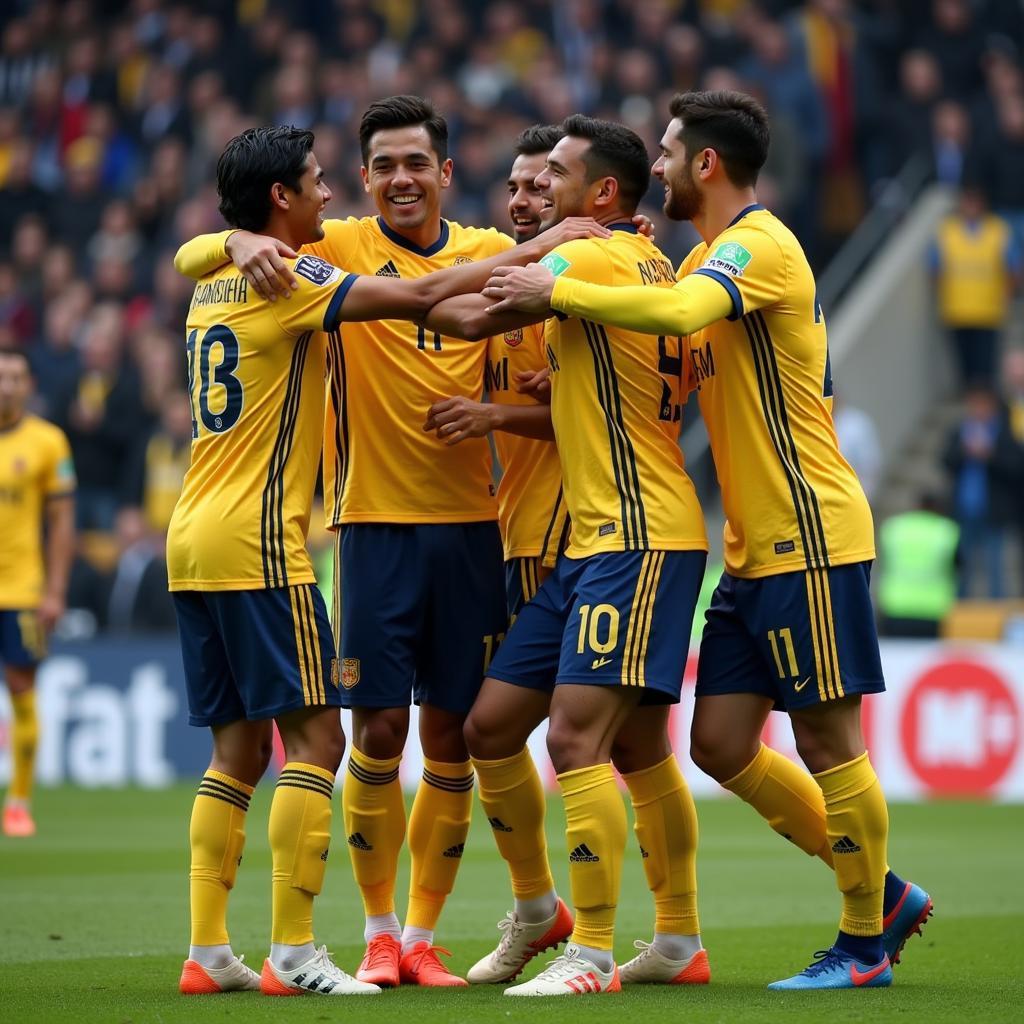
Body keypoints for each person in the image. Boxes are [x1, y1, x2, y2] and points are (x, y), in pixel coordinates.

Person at [486, 90, 933, 990]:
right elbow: (673, 342)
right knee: (720, 744)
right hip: (746, 544)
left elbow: (688, 314)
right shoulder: (700, 256)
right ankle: (882, 894)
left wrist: (553, 282)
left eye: (667, 152)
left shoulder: (757, 246)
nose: (655, 167)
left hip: (807, 531)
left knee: (830, 740)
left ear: (705, 164)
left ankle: (862, 943)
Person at [173, 97, 601, 989]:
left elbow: (467, 322)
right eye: (376, 167)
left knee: (447, 738)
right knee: (366, 734)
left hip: (470, 531)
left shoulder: (479, 250)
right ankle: (367, 934)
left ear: (445, 173)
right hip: (362, 530)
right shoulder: (323, 251)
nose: (396, 179)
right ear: (360, 181)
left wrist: (506, 388)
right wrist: (234, 241)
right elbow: (210, 248)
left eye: (416, 163)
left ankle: (418, 936)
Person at [426, 114, 710, 996]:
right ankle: (664, 938)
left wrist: (527, 255)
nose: (541, 189)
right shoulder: (650, 262)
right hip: (598, 541)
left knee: (579, 736)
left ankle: (591, 953)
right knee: (491, 726)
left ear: (602, 196)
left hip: (637, 536)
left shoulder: (586, 257)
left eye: (557, 175)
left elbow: (462, 312)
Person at [0, 349, 75, 838]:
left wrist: (55, 589)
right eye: (0, 377)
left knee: (23, 694)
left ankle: (19, 802)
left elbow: (62, 521)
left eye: (16, 377)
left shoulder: (48, 442)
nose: (7, 385)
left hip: (22, 590)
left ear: (29, 385)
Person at [930, 184, 1020, 389]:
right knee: (965, 366)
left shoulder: (998, 230)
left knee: (985, 367)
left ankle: (985, 404)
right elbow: (934, 269)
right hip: (957, 309)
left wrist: (1007, 294)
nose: (971, 206)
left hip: (989, 310)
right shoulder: (947, 231)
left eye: (975, 201)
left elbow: (1013, 267)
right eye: (967, 200)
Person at [877, 493, 960, 637]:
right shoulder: (946, 531)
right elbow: (958, 565)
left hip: (896, 605)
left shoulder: (894, 528)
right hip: (932, 609)